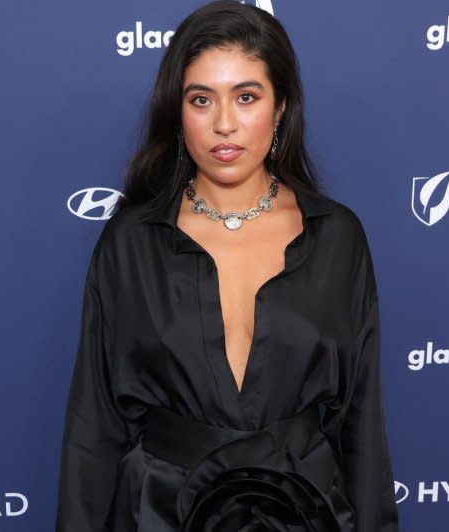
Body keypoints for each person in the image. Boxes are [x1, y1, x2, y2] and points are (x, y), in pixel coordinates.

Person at [56, 1, 399, 530]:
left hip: (304, 513)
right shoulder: (131, 242)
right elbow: (93, 432)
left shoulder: (337, 238)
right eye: (201, 99)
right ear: (178, 111)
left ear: (280, 106)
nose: (224, 125)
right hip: (162, 515)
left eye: (246, 97)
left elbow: (361, 427)